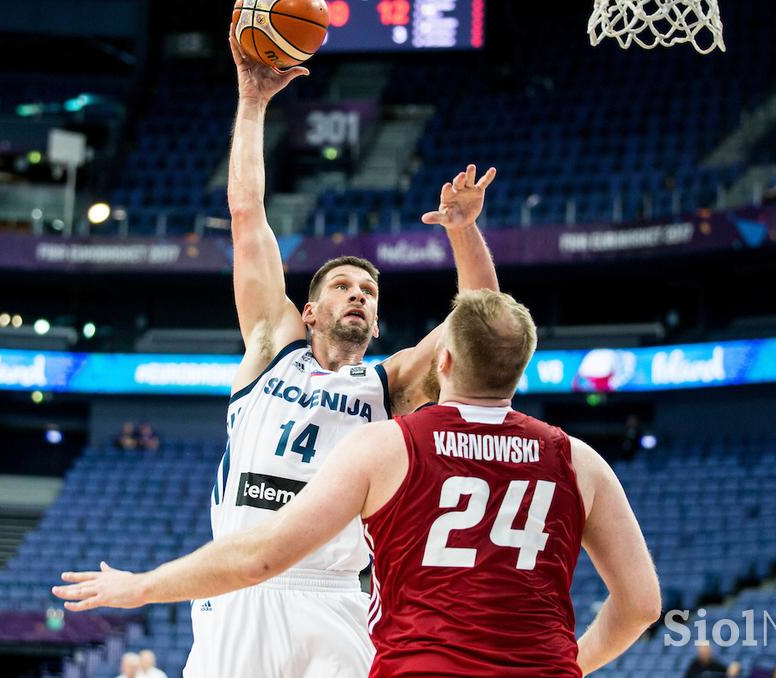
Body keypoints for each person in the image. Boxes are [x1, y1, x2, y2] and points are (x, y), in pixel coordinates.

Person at [109, 22, 497, 677]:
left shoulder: (389, 385)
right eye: (343, 285)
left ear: (376, 326)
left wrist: (463, 232)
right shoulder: (272, 349)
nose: (359, 295)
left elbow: (482, 324)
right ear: (308, 310)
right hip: (240, 587)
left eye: (370, 292)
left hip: (333, 596)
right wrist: (253, 100)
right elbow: (246, 217)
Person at [53, 290, 661, 677]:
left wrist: (141, 587)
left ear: (443, 361)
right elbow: (641, 606)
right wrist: (565, 663)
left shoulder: (390, 444)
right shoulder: (578, 460)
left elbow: (262, 556)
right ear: (523, 368)